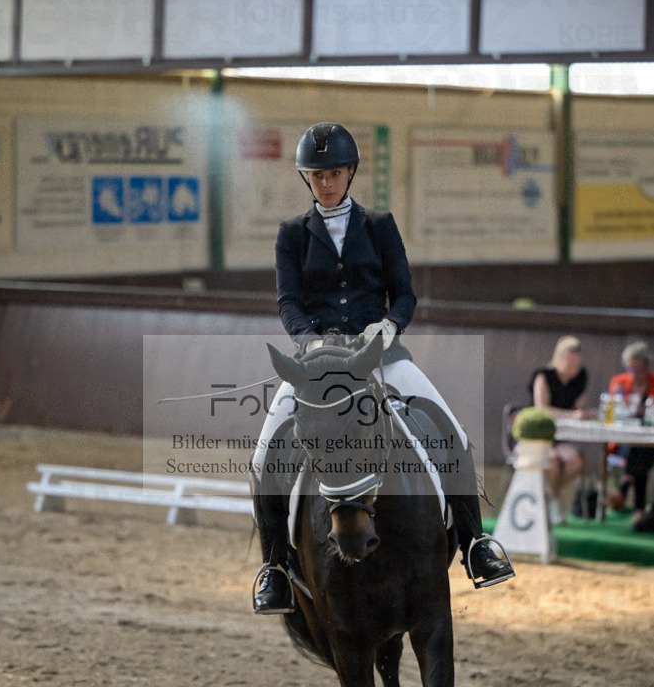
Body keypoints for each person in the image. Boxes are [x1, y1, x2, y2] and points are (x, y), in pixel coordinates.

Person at [251, 122, 514, 614]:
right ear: (306, 178)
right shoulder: (291, 234)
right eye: (316, 174)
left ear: (349, 172)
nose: (325, 182)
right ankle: (275, 568)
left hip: (380, 354)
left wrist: (389, 328)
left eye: (333, 173)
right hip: (318, 364)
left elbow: (405, 294)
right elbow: (289, 302)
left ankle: (478, 544)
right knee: (266, 453)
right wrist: (311, 345)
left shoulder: (379, 225)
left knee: (448, 431)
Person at [529, 336, 593, 525]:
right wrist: (572, 416)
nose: (575, 367)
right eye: (571, 362)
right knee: (553, 461)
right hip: (539, 435)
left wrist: (586, 414)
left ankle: (548, 495)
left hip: (563, 437)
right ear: (559, 358)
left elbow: (578, 408)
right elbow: (542, 409)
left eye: (578, 362)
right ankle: (554, 501)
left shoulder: (580, 377)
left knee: (576, 461)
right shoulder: (544, 376)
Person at [606, 341, 654, 527]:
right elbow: (612, 409)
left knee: (642, 450)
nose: (633, 372)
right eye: (629, 368)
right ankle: (638, 508)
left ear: (646, 366)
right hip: (622, 441)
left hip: (648, 441)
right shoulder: (619, 382)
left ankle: (624, 488)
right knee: (639, 451)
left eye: (637, 368)